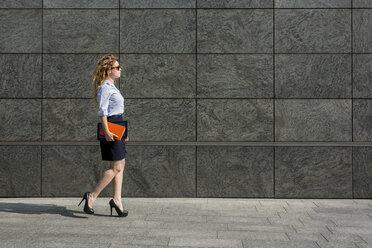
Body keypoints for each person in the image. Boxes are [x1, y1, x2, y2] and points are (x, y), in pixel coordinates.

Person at [78, 54, 128, 217]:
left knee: (121, 164)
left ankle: (117, 200)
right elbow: (103, 111)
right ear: (109, 70)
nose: (120, 70)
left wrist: (123, 132)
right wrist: (107, 131)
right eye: (117, 67)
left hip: (118, 124)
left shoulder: (112, 86)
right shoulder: (105, 87)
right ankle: (91, 196)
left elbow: (117, 111)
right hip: (111, 125)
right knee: (115, 167)